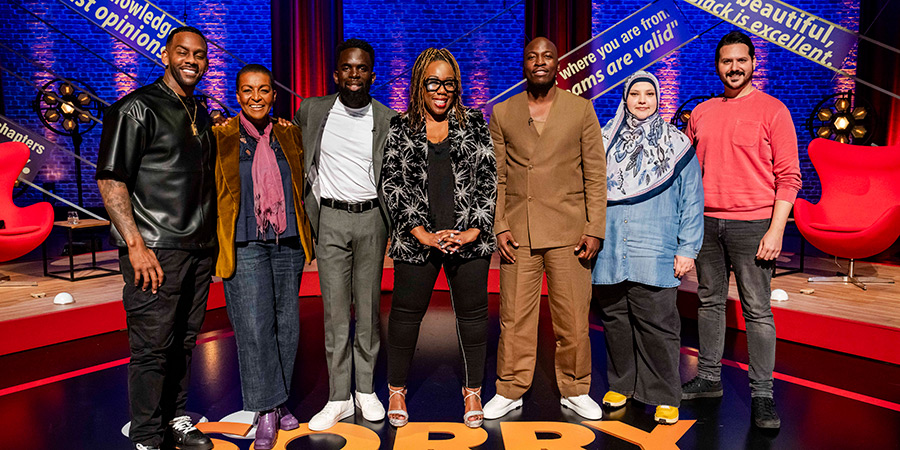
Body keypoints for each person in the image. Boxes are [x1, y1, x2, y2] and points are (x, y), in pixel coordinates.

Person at [96, 26, 215, 450]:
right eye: (182, 52)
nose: (192, 60)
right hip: (155, 248)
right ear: (165, 55)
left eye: (199, 55)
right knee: (152, 347)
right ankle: (147, 437)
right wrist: (136, 245)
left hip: (197, 249)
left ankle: (176, 418)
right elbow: (111, 182)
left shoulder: (198, 110)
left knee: (184, 340)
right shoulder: (135, 109)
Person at [680, 30, 801, 429]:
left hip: (754, 226)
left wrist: (776, 230)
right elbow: (684, 171)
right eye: (726, 61)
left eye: (740, 61)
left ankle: (763, 395)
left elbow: (789, 178)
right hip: (707, 224)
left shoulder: (773, 110)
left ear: (753, 63)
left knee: (758, 311)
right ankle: (710, 378)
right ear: (718, 66)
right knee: (709, 303)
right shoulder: (702, 112)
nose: (734, 68)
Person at [483, 37, 607, 421]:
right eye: (532, 56)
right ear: (524, 64)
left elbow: (596, 176)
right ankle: (510, 388)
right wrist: (500, 226)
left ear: (558, 64)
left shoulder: (580, 109)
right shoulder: (503, 112)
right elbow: (497, 178)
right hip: (518, 234)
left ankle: (574, 387)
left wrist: (595, 229)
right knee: (515, 317)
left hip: (570, 232)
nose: (540, 61)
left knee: (571, 316)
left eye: (547, 56)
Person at [381, 48, 497, 428]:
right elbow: (392, 183)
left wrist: (472, 232)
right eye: (433, 82)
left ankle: (473, 391)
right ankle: (396, 388)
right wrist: (423, 235)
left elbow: (489, 181)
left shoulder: (476, 124)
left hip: (469, 240)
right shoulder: (400, 127)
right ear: (419, 84)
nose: (441, 90)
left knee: (473, 319)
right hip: (417, 241)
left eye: (449, 83)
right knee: (404, 318)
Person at [291, 38, 397, 431]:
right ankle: (338, 397)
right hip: (330, 220)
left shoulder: (386, 118)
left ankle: (365, 390)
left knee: (367, 310)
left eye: (362, 68)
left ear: (372, 73)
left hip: (372, 220)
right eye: (347, 68)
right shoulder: (312, 110)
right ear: (336, 73)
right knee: (335, 313)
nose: (354, 74)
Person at [591, 70, 704, 425]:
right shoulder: (603, 139)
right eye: (635, 94)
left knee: (658, 325)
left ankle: (664, 395)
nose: (642, 100)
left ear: (658, 100)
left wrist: (688, 248)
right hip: (609, 251)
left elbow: (692, 200)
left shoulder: (677, 144)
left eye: (649, 94)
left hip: (654, 250)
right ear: (625, 99)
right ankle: (621, 386)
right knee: (615, 321)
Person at [212, 64, 315, 449]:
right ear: (237, 95)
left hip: (286, 240)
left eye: (264, 90)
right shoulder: (221, 135)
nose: (256, 97)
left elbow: (303, 181)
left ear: (274, 95)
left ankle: (278, 398)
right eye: (248, 90)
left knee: (287, 326)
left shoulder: (289, 133)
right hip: (245, 241)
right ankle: (267, 409)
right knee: (255, 328)